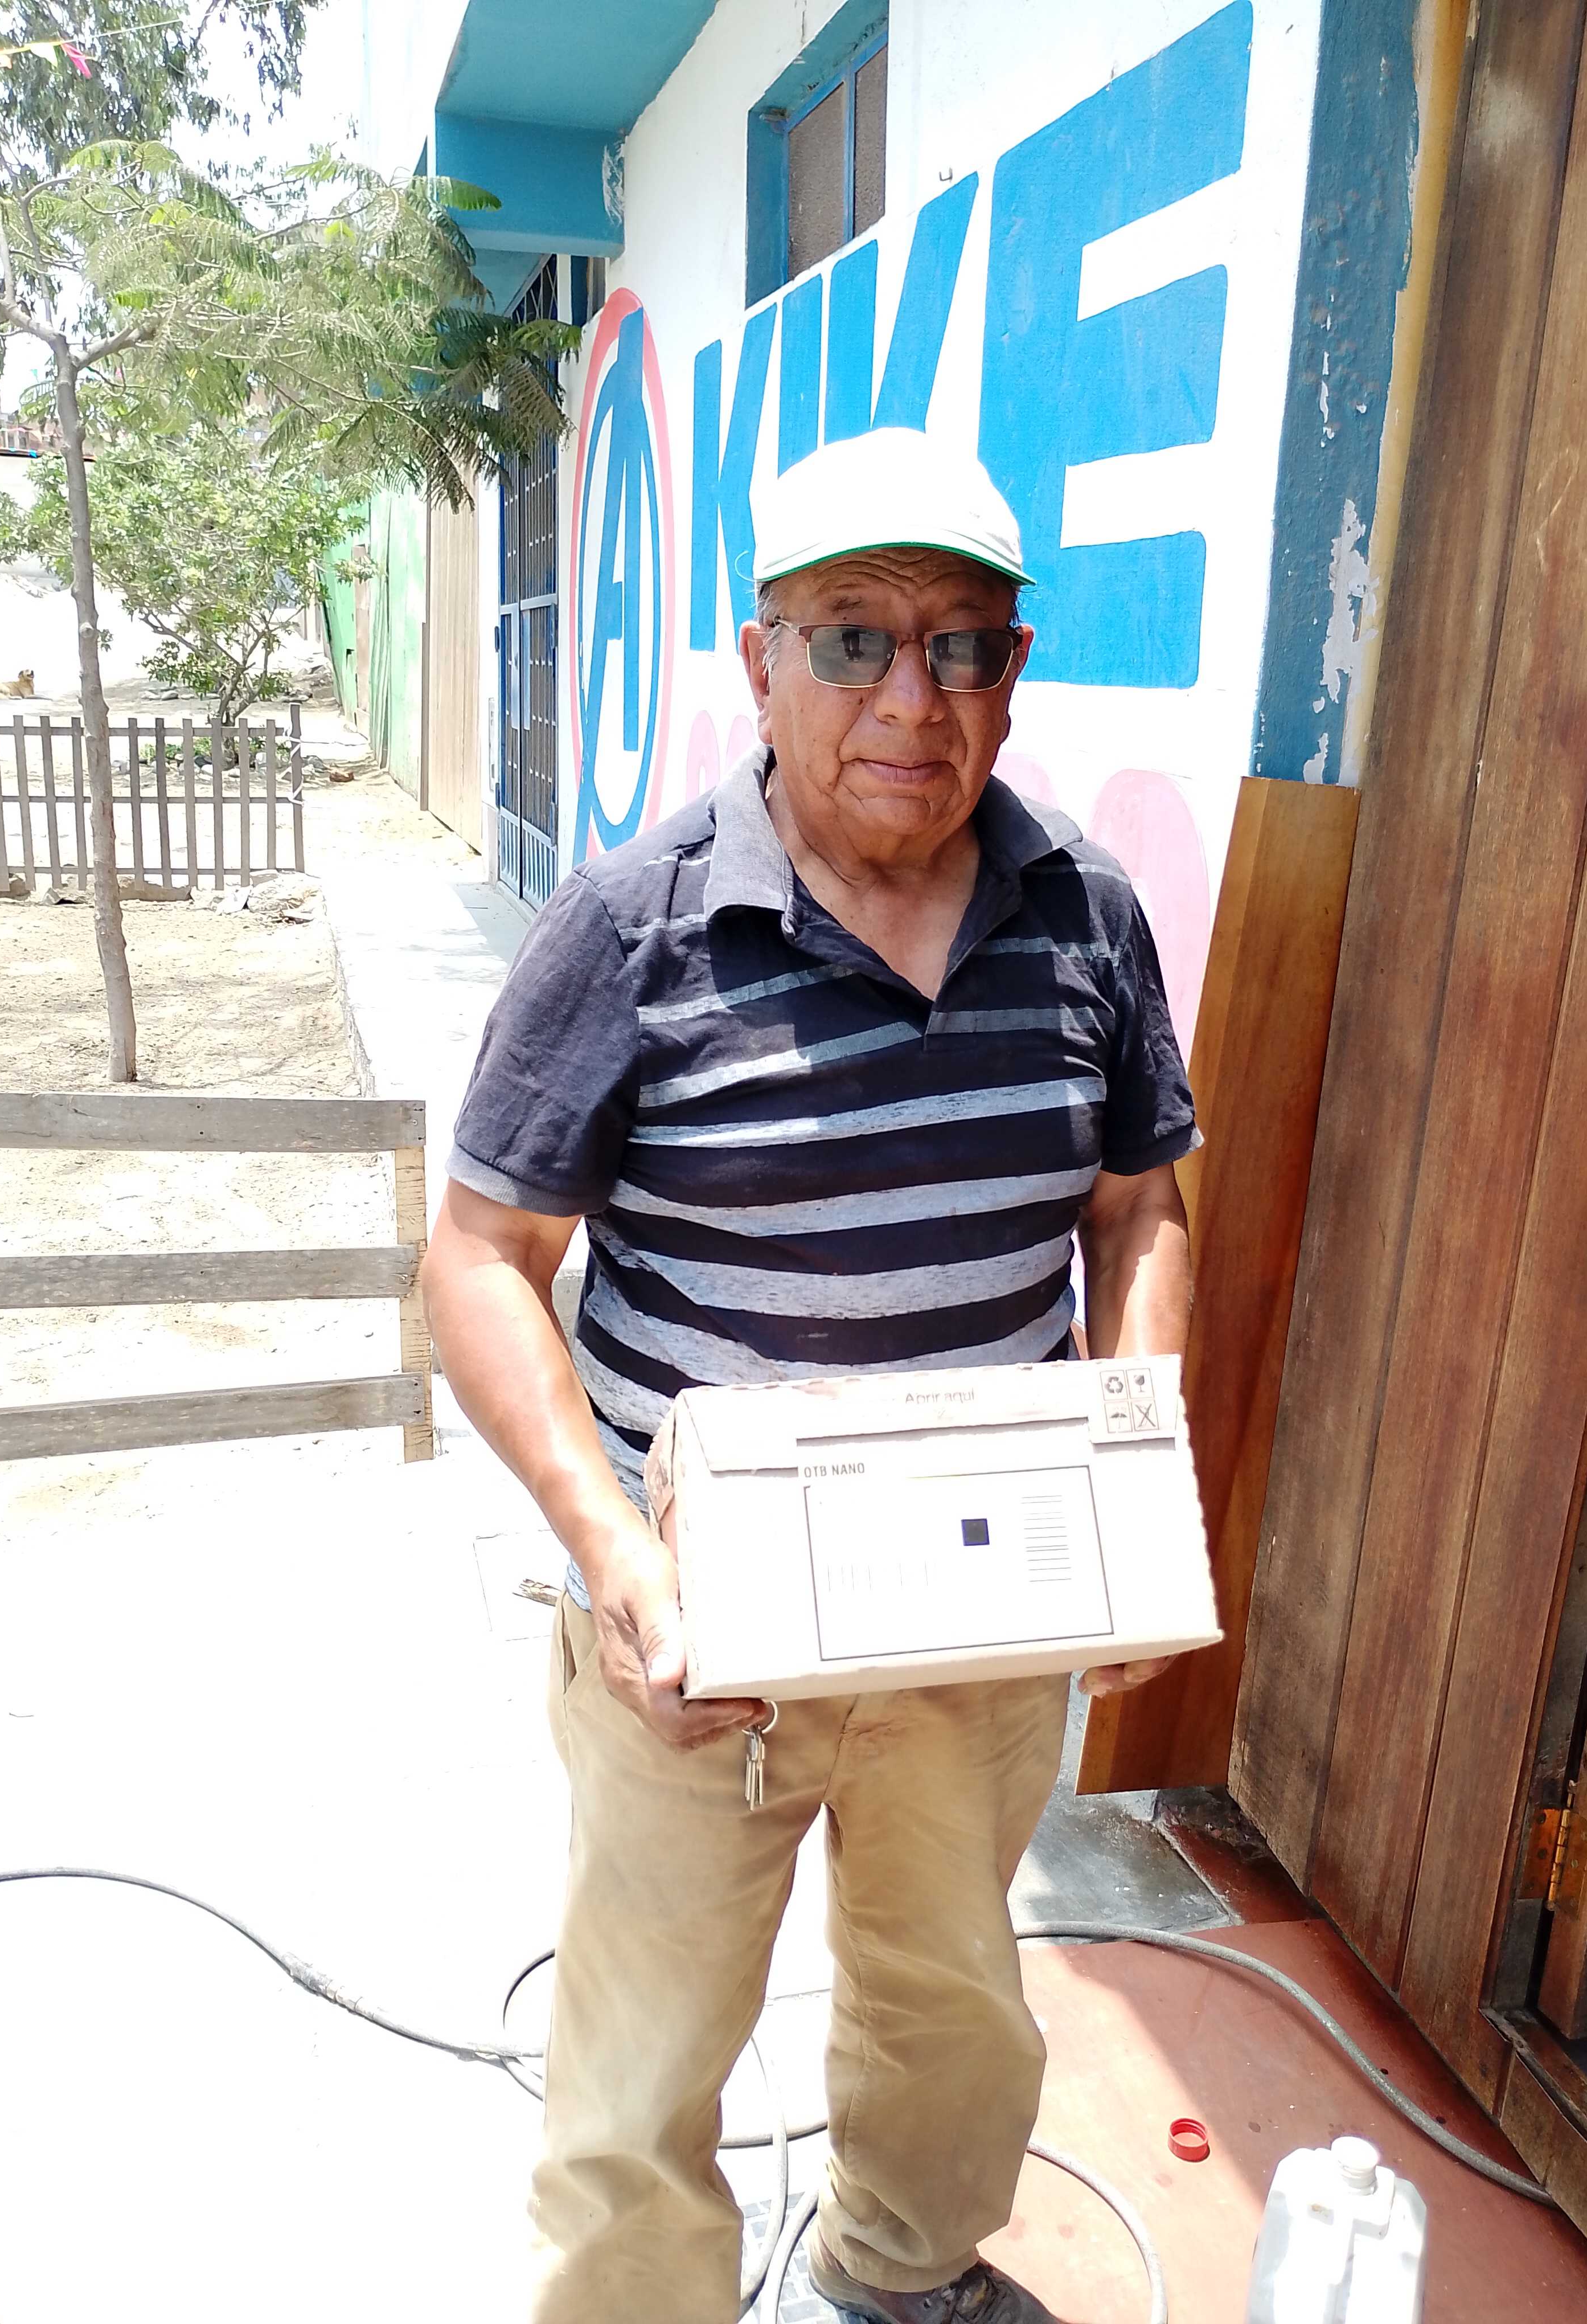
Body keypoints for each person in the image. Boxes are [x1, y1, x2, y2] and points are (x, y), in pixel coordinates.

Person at [421, 427, 1201, 2324]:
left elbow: (1138, 1211)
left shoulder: (1085, 914)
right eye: (852, 638)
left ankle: (902, 2269)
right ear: (759, 661)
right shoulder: (635, 926)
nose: (911, 699)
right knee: (642, 2065)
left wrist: (1134, 1484)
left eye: (961, 645)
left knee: (955, 2011)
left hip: (980, 1611)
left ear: (1014, 672)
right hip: (699, 1638)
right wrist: (615, 1554)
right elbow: (482, 1261)